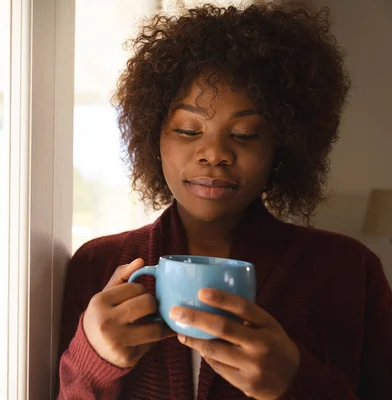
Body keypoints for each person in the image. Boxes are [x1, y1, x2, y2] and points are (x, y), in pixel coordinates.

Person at [57, 2, 392, 399]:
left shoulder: (348, 271)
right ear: (154, 138)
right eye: (187, 129)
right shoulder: (97, 266)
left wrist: (296, 382)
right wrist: (93, 360)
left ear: (282, 147)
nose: (214, 153)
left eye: (246, 133)